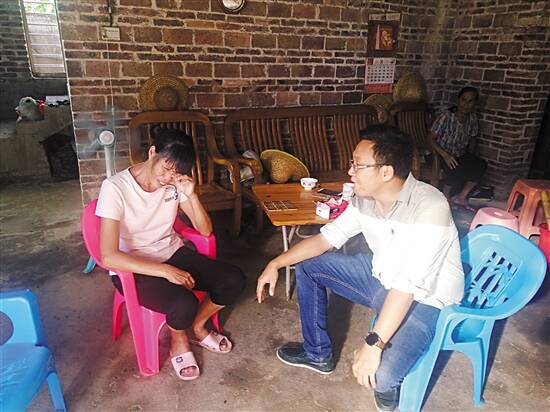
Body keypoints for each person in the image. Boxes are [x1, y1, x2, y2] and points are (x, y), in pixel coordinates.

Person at [256, 125, 464, 411]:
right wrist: (276, 262)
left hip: (426, 297)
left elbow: (407, 286)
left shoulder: (430, 207)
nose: (350, 171)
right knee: (308, 265)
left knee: (379, 377)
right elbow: (326, 239)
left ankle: (391, 368)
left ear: (386, 172)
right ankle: (317, 354)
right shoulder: (364, 199)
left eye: (358, 165)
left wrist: (374, 343)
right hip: (382, 276)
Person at [96, 127, 245, 381]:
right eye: (165, 168)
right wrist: (165, 270)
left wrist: (191, 195)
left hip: (172, 251)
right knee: (183, 303)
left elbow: (205, 230)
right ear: (152, 152)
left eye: (176, 172)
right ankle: (179, 338)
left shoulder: (175, 183)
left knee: (234, 280)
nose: (168, 178)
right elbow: (108, 256)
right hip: (134, 266)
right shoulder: (115, 187)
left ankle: (197, 326)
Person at [429, 86, 487, 210]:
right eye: (463, 100)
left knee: (480, 165)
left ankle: (461, 196)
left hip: (459, 153)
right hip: (440, 153)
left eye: (470, 101)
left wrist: (471, 157)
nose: (466, 104)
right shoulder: (446, 116)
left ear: (475, 103)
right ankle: (445, 196)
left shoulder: (472, 118)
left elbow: (473, 138)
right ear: (458, 100)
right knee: (455, 166)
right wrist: (445, 155)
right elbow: (430, 138)